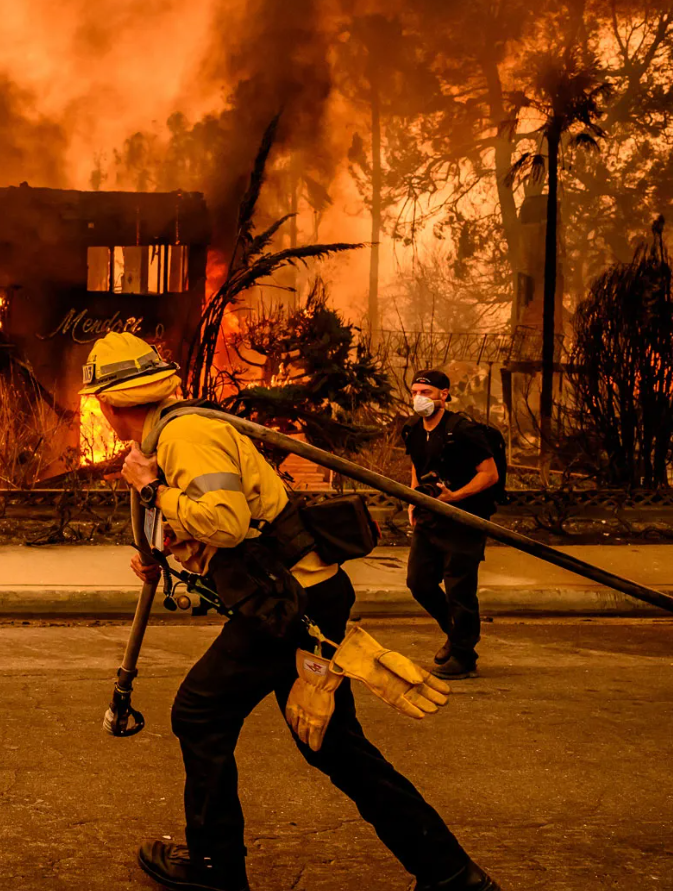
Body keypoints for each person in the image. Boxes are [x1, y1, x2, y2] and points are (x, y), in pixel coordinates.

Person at [81, 332, 499, 891]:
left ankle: (215, 867)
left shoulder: (185, 437)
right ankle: (451, 874)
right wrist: (164, 549)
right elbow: (225, 522)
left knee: (200, 714)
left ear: (107, 406)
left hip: (288, 604)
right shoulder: (176, 433)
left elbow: (225, 521)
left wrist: (154, 489)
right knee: (334, 747)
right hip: (298, 595)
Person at [401, 370, 500, 680]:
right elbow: (418, 467)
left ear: (444, 394)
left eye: (426, 392)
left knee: (460, 589)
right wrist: (412, 500)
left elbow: (489, 474)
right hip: (429, 517)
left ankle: (463, 655)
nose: (419, 398)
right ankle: (458, 638)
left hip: (464, 519)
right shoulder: (413, 429)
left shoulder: (464, 430)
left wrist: (454, 497)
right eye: (415, 391)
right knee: (419, 582)